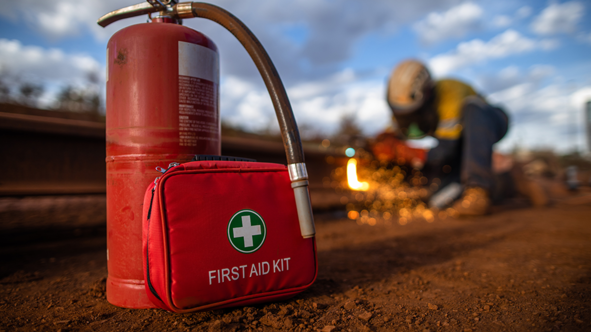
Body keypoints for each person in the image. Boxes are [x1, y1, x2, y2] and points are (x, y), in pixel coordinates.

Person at [371, 59, 509, 216]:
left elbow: (445, 150)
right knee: (439, 201)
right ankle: (508, 183)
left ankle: (478, 190)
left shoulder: (450, 94)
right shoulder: (405, 106)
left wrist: (410, 153)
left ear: (427, 95)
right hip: (461, 148)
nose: (409, 118)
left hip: (491, 123)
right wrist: (384, 140)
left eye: (413, 113)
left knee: (473, 107)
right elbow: (399, 129)